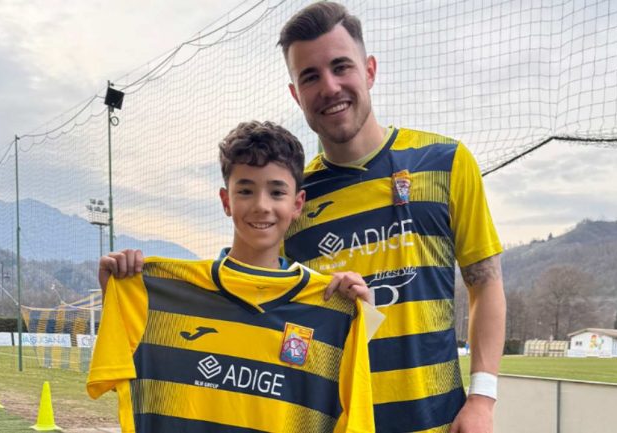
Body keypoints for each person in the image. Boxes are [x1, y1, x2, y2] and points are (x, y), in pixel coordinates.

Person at [100, 2, 506, 432]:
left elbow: (486, 284)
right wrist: (139, 296)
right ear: (296, 93)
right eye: (310, 76)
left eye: (341, 67)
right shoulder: (291, 199)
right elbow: (252, 304)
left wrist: (482, 399)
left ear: (369, 70)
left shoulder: (445, 163)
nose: (329, 87)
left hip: (437, 421)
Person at [88, 121, 379, 432]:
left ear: (297, 204)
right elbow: (122, 378)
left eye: (276, 192)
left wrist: (364, 315)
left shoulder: (331, 309)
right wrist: (118, 295)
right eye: (246, 191)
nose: (261, 206)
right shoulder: (159, 295)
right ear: (226, 201)